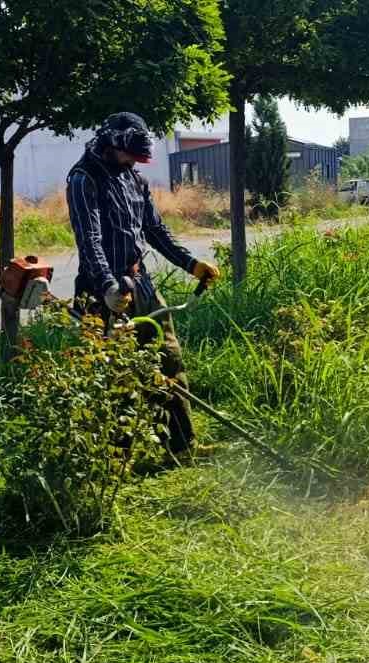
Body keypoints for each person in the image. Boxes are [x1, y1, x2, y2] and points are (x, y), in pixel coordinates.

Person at [66, 112, 220, 457]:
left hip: (140, 283)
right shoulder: (83, 179)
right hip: (100, 291)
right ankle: (116, 460)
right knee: (114, 375)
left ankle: (182, 447)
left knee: (169, 361)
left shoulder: (134, 179)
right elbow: (89, 240)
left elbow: (154, 230)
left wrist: (190, 264)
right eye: (129, 156)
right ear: (111, 144)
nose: (133, 162)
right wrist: (107, 287)